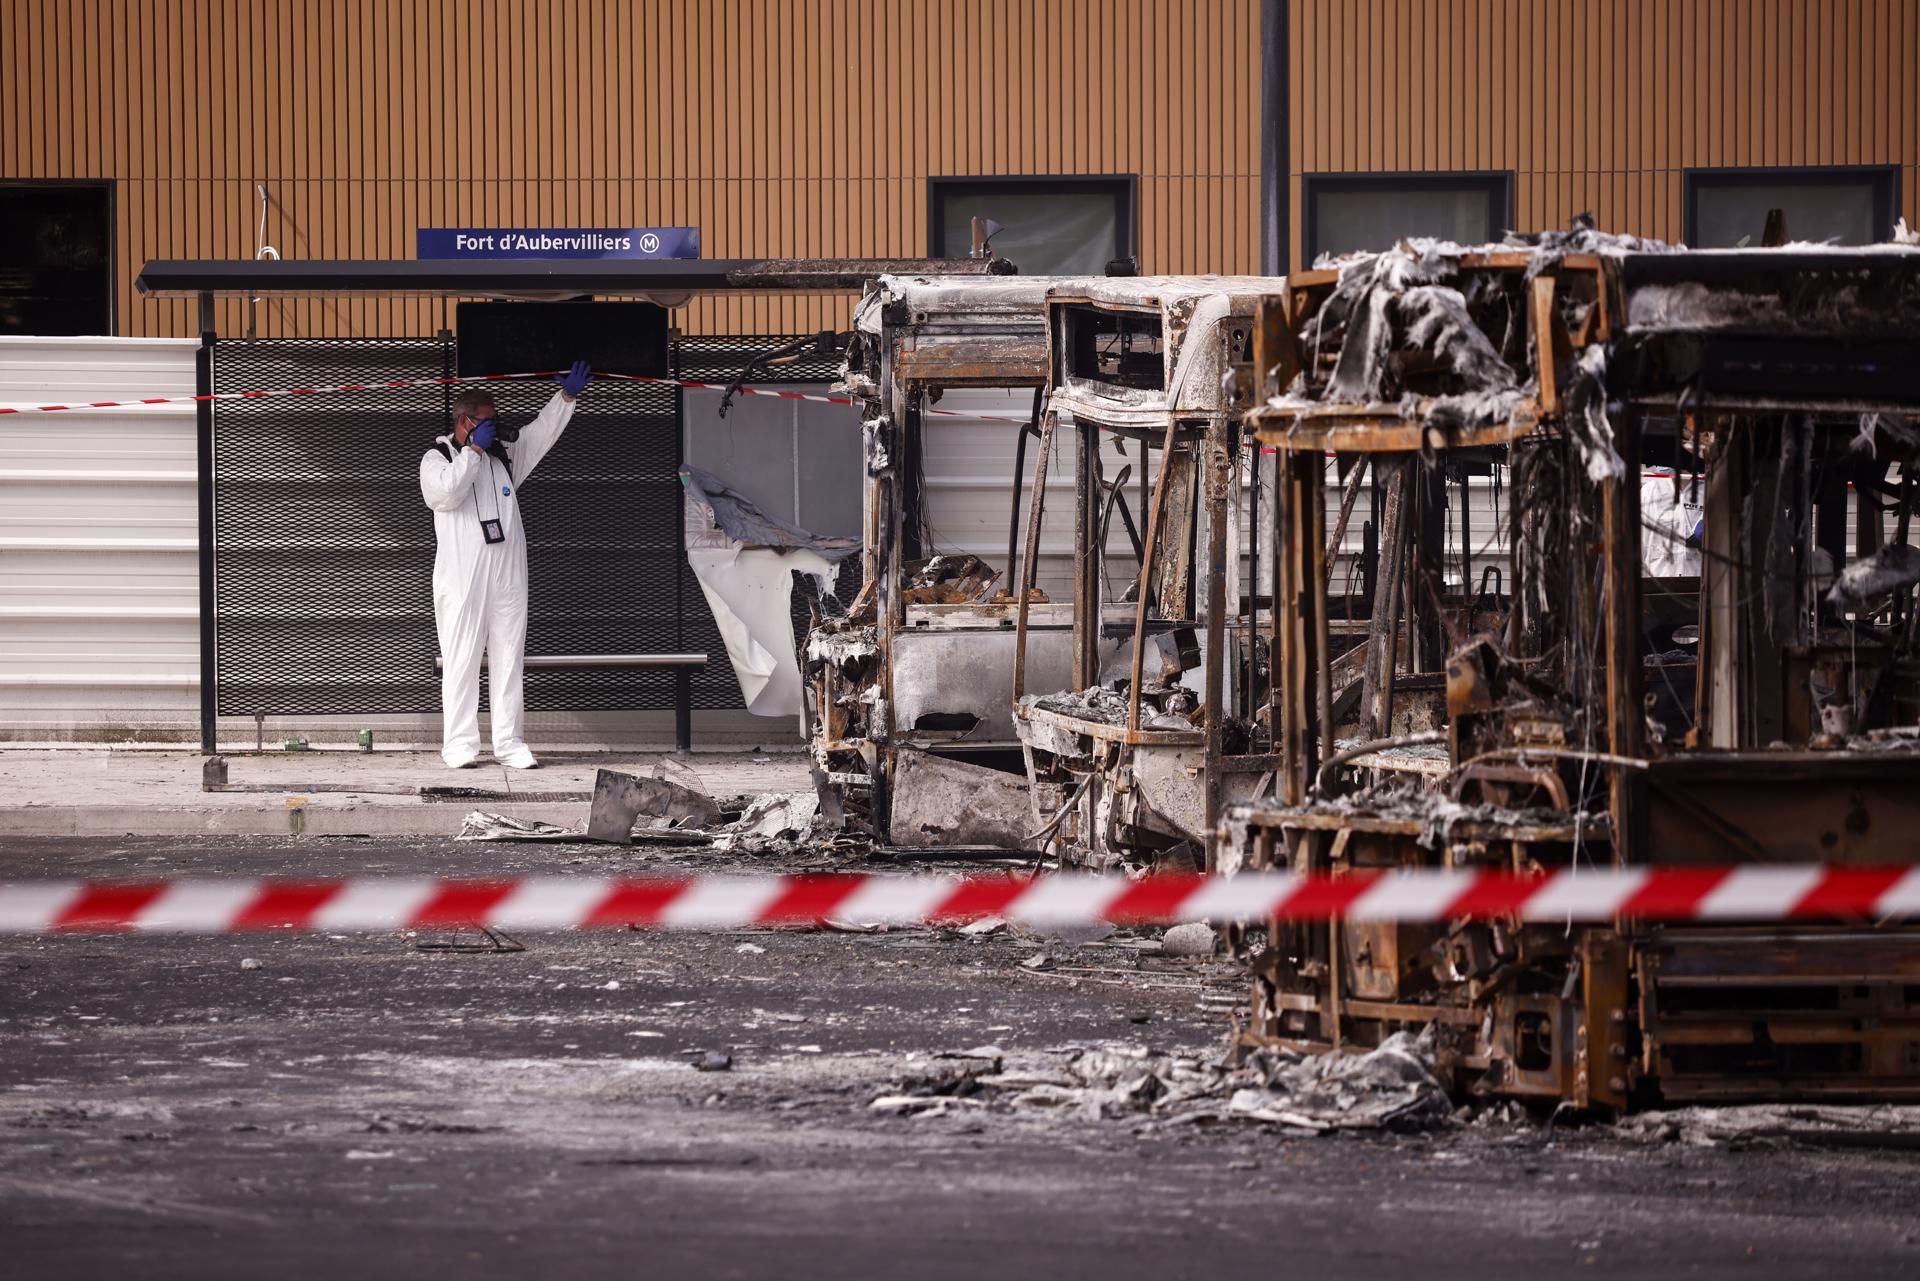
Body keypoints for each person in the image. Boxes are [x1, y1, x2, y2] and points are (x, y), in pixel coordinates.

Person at [419, 360, 592, 768]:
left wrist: (566, 397)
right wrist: (472, 451)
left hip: (507, 576)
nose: (493, 429)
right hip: (462, 579)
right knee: (461, 659)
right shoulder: (437, 458)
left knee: (509, 657)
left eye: (493, 423)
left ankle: (510, 742)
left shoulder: (504, 459)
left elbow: (540, 434)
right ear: (464, 423)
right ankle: (460, 745)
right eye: (485, 423)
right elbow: (444, 495)